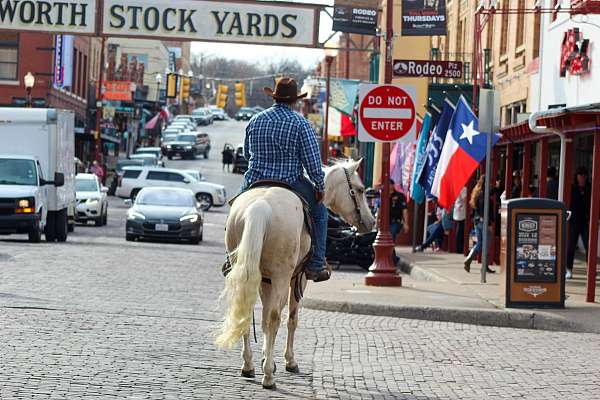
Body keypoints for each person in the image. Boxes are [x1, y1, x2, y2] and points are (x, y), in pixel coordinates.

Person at [241, 77, 329, 282]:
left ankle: (231, 257)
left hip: (255, 179)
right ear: (294, 101)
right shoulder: (301, 124)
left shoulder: (256, 120)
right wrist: (319, 185)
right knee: (320, 215)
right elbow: (312, 163)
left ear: (274, 97)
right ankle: (316, 263)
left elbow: (247, 154)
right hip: (290, 182)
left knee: (236, 209)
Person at [463, 175, 496, 273]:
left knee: (480, 243)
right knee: (486, 245)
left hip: (477, 222)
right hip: (484, 222)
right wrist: (489, 224)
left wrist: (496, 188)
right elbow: (485, 210)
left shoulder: (476, 193)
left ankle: (469, 259)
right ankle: (483, 266)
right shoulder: (484, 196)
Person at [566, 167, 591, 279]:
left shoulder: (589, 188)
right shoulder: (572, 188)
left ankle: (590, 269)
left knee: (589, 246)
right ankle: (569, 269)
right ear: (576, 176)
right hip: (573, 221)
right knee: (571, 246)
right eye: (580, 174)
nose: (582, 177)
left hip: (585, 221)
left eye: (584, 175)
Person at [453, 188, 467, 254]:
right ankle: (459, 248)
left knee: (459, 229)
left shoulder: (457, 187)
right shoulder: (463, 189)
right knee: (460, 230)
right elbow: (465, 199)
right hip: (461, 210)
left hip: (458, 208)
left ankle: (457, 247)